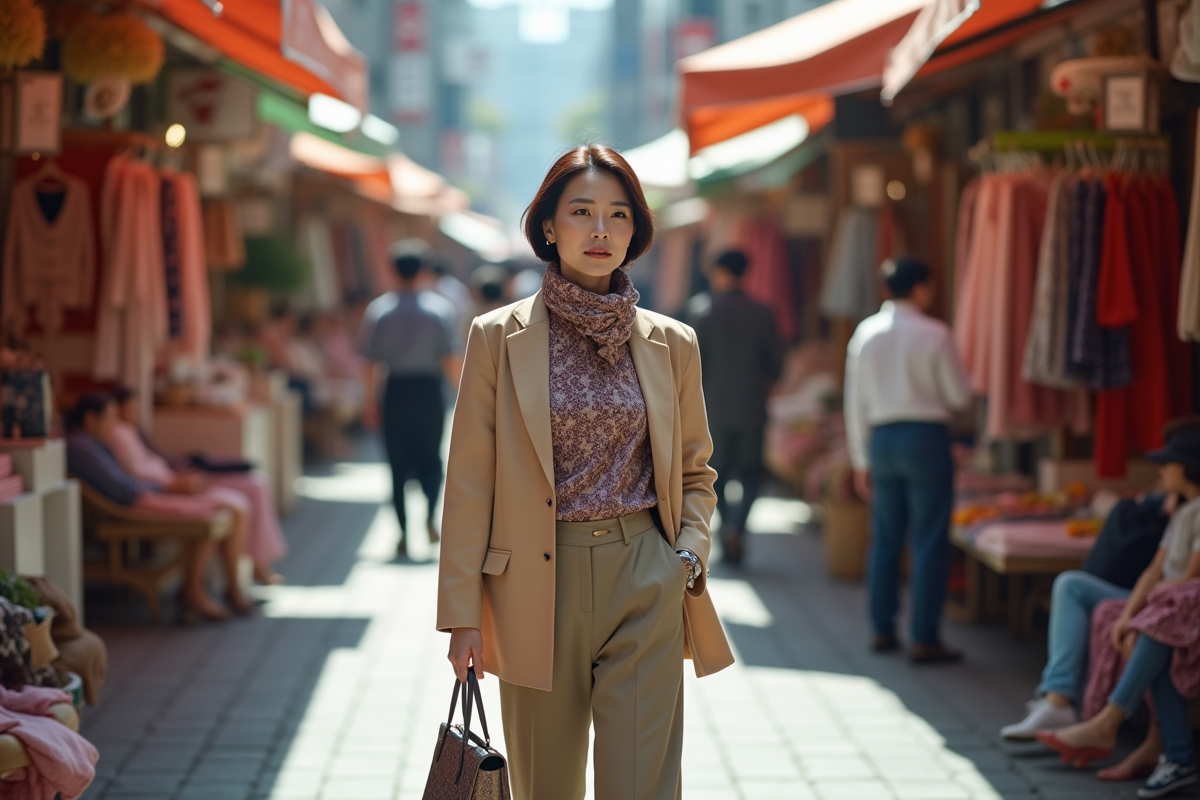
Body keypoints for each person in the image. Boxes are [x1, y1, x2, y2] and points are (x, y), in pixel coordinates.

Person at [437, 145, 735, 800]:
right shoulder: (497, 336)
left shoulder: (673, 343)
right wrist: (463, 615)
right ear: (549, 227)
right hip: (532, 589)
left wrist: (684, 556)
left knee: (642, 786)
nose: (600, 231)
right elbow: (468, 483)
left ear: (635, 231)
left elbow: (695, 472)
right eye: (581, 213)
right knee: (546, 785)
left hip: (644, 573)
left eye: (617, 216)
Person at [1033, 427, 1200, 799]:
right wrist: (1131, 613)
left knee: (1160, 629)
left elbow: (1190, 577)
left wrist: (1145, 609)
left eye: (1167, 464)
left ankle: (1124, 727)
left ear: (1187, 468)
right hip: (1164, 601)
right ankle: (1059, 696)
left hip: (1180, 603)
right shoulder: (1181, 512)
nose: (1159, 471)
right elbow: (1153, 570)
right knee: (1072, 584)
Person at [844, 256, 971, 663]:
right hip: (927, 439)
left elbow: (854, 402)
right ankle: (924, 637)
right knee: (930, 540)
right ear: (921, 288)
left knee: (885, 538)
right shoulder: (935, 332)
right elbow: (959, 396)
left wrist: (861, 458)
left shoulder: (866, 332)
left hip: (882, 440)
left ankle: (882, 630)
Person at [65, 393, 252, 621]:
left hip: (139, 496)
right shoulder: (81, 447)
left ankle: (196, 588)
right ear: (90, 419)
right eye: (110, 418)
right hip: (132, 504)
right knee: (207, 514)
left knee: (214, 511)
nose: (114, 425)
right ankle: (194, 590)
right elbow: (123, 489)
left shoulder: (90, 442)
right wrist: (167, 489)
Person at [107, 386, 288, 586]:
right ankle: (228, 584)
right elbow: (139, 472)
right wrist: (173, 482)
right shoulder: (117, 434)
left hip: (174, 478)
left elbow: (158, 459)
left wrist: (186, 468)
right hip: (167, 486)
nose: (135, 411)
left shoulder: (131, 430)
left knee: (254, 485)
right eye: (130, 407)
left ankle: (247, 572)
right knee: (238, 502)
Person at [359, 240, 462, 558]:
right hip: (429, 391)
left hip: (395, 391)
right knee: (432, 461)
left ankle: (403, 534)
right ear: (423, 270)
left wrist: (370, 402)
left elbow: (370, 364)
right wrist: (462, 394)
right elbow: (450, 361)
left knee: (397, 467)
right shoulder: (439, 310)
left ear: (392, 270)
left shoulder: (379, 310)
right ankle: (430, 518)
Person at [685, 249, 784, 565]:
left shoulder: (701, 310)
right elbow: (777, 367)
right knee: (753, 474)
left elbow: (690, 365)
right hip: (753, 407)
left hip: (711, 409)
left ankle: (728, 527)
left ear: (720, 272)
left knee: (718, 475)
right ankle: (736, 526)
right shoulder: (763, 311)